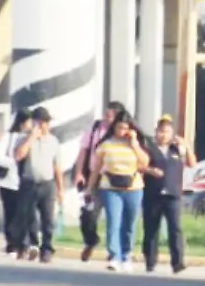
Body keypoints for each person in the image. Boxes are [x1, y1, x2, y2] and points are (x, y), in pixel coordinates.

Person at [90, 113, 151, 271]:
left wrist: (135, 144)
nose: (122, 131)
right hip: (110, 187)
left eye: (125, 128)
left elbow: (145, 162)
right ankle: (114, 256)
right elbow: (96, 168)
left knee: (129, 223)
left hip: (133, 187)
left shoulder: (135, 144)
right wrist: (90, 188)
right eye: (119, 127)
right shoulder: (106, 145)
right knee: (113, 222)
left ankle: (126, 254)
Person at [72, 102, 127, 262]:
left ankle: (114, 251)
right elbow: (83, 150)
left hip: (115, 180)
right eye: (106, 114)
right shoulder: (96, 128)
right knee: (88, 215)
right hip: (94, 180)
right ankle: (91, 241)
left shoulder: (125, 133)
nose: (107, 118)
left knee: (114, 218)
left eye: (111, 115)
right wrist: (79, 173)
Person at [141, 115, 195, 274]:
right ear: (156, 132)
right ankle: (150, 261)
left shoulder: (176, 149)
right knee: (151, 229)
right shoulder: (149, 148)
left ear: (172, 134)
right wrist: (151, 170)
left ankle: (177, 262)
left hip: (173, 194)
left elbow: (192, 163)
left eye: (167, 132)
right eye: (161, 131)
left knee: (175, 228)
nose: (163, 135)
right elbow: (140, 166)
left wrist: (186, 147)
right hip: (153, 193)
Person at [14, 106, 64, 263]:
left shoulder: (53, 141)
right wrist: (32, 138)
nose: (42, 126)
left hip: (47, 184)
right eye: (39, 123)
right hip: (29, 182)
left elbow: (57, 166)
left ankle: (47, 248)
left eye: (45, 123)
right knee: (29, 217)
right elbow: (18, 155)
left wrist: (60, 188)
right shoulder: (25, 139)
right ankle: (32, 245)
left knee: (48, 219)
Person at [0, 112, 32, 258]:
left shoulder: (31, 139)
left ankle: (23, 244)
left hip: (26, 182)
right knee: (10, 214)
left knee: (24, 215)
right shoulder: (9, 136)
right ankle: (11, 245)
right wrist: (14, 162)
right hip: (8, 182)